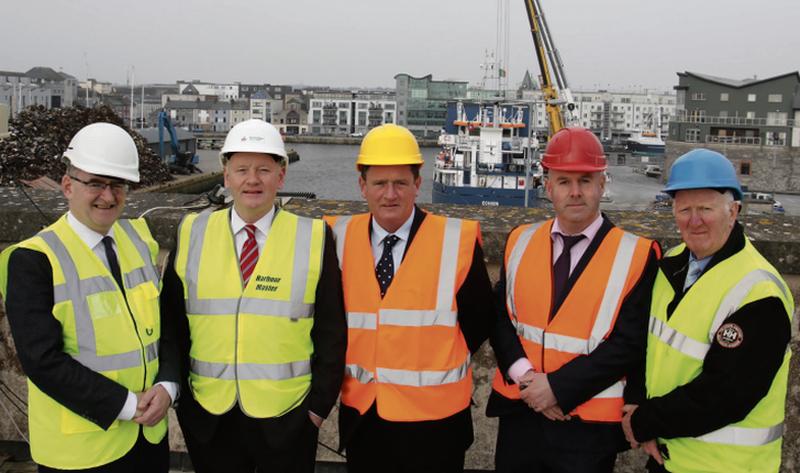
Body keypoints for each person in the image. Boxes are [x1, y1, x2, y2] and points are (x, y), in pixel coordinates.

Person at [160, 119, 347, 473]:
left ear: (282, 175)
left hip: (289, 416)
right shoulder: (191, 232)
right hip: (209, 416)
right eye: (242, 169)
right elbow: (171, 321)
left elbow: (332, 331)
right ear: (226, 175)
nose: (253, 180)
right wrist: (184, 401)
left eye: (264, 169)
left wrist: (317, 409)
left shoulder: (315, 237)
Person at [0, 122, 177, 472]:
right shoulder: (33, 259)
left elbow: (165, 324)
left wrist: (169, 386)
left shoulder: (139, 240)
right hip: (82, 451)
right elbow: (42, 361)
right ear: (68, 185)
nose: (108, 196)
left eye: (117, 185)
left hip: (149, 441)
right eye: (95, 183)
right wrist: (128, 405)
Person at [326, 124, 496, 473]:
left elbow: (479, 321)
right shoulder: (336, 238)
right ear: (363, 186)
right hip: (364, 419)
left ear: (418, 184)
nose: (390, 194)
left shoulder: (457, 242)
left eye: (401, 183)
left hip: (437, 426)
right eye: (379, 183)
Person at [488, 127, 660, 473]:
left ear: (602, 184)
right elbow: (500, 319)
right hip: (521, 415)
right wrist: (528, 381)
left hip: (587, 428)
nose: (575, 192)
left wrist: (557, 389)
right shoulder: (519, 240)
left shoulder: (638, 254)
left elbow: (629, 343)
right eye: (564, 181)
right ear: (548, 186)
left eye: (585, 180)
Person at [621, 149, 794, 473]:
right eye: (684, 208)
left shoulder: (759, 293)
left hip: (727, 466)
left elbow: (725, 395)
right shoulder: (672, 263)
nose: (694, 219)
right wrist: (636, 401)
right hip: (668, 456)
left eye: (705, 208)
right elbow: (648, 346)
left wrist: (644, 422)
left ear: (734, 211)